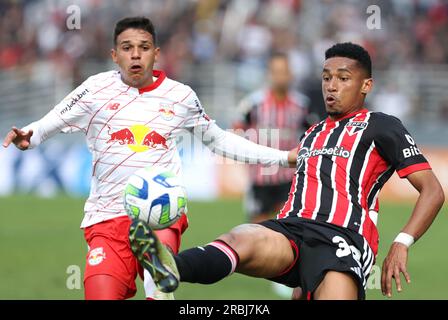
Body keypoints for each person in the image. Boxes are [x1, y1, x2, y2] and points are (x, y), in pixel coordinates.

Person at [2, 17, 295, 300]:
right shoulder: (94, 89)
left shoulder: (180, 96)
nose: (136, 55)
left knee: (159, 281)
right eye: (127, 48)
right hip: (107, 218)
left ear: (156, 54)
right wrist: (31, 134)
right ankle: (161, 284)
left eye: (143, 47)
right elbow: (51, 121)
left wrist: (283, 157)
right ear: (114, 55)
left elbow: (219, 140)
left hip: (161, 212)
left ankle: (160, 281)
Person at [130, 42, 445, 300]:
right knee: (243, 238)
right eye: (326, 77)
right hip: (291, 227)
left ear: (366, 85)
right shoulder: (313, 132)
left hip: (342, 238)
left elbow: (432, 191)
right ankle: (170, 267)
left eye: (343, 78)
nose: (331, 86)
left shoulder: (382, 125)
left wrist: (401, 242)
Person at [233, 52, 309, 224]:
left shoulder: (302, 105)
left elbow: (312, 135)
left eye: (283, 72)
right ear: (269, 74)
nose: (280, 77)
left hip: (289, 178)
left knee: (291, 227)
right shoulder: (253, 104)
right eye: (275, 72)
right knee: (256, 229)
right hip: (260, 178)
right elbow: (236, 129)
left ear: (290, 74)